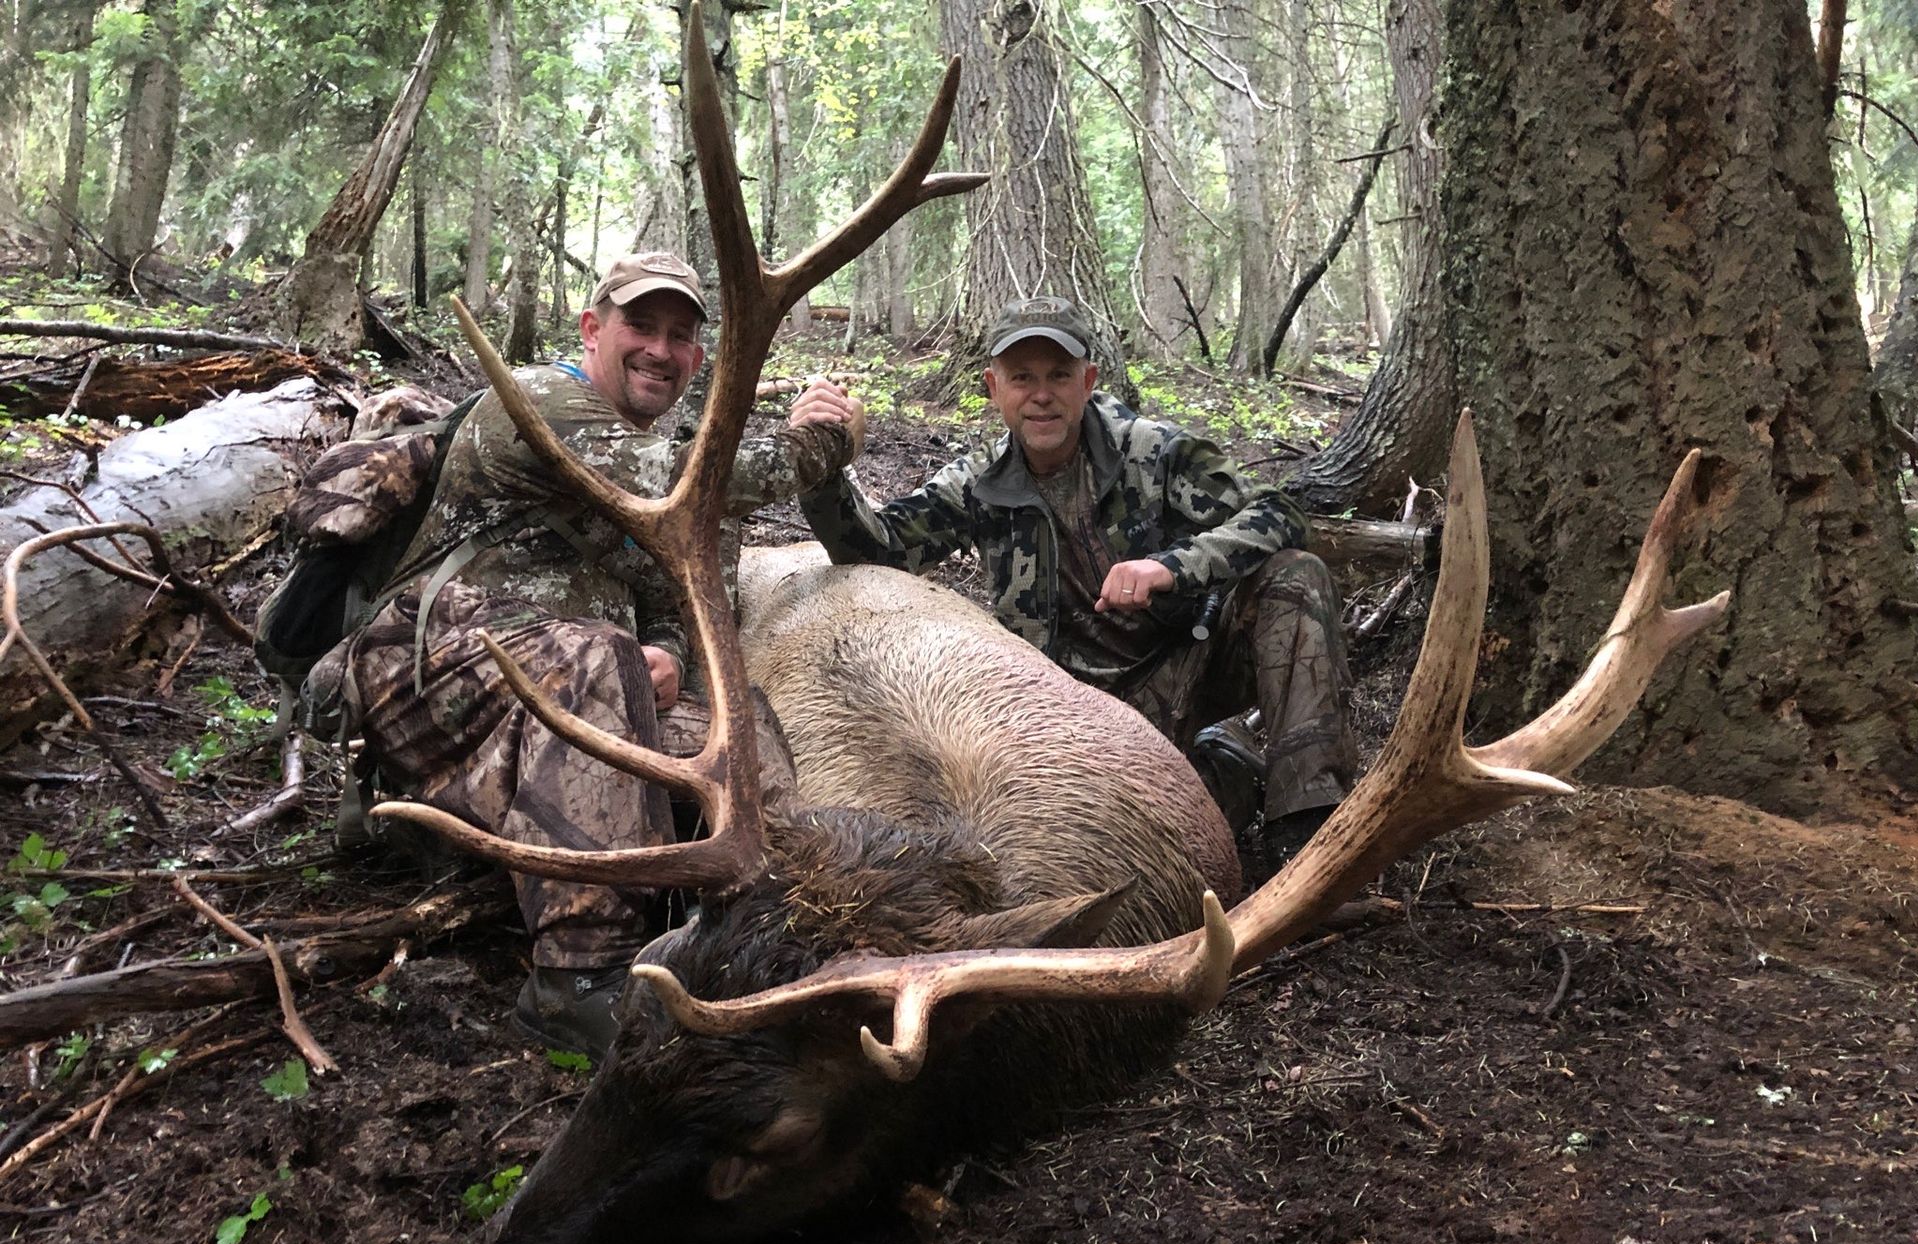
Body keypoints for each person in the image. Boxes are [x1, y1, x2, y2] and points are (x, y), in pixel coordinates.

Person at [304, 252, 865, 1058]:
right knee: (602, 662)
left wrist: (668, 654)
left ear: (696, 361)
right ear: (592, 329)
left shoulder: (636, 472)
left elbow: (664, 603)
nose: (660, 350)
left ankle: (765, 934)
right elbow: (705, 479)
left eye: (681, 337)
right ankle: (579, 979)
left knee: (738, 726)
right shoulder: (539, 403)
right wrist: (823, 441)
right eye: (641, 325)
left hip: (559, 698)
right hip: (428, 668)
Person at [800, 294, 1357, 861]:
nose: (1041, 395)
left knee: (1296, 577)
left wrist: (1171, 567)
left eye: (1059, 376)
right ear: (994, 389)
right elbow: (873, 552)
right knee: (1144, 843)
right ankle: (1223, 766)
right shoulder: (977, 485)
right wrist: (829, 466)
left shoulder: (1153, 453)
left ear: (1087, 380)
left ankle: (1310, 835)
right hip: (1066, 722)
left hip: (1184, 666)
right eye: (1022, 378)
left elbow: (1279, 515)